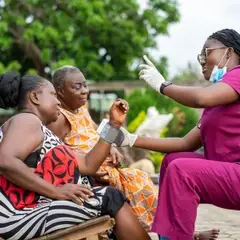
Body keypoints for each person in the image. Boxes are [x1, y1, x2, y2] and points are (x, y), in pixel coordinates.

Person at [118, 28, 240, 240]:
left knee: (182, 170)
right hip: (231, 175)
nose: (202, 60)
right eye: (200, 55)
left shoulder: (237, 76)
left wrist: (163, 86)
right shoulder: (218, 100)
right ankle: (171, 237)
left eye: (207, 52)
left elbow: (200, 98)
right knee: (173, 161)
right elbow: (185, 143)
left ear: (228, 53)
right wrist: (131, 139)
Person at [0, 72, 151, 240]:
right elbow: (6, 161)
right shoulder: (26, 120)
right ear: (35, 97)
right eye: (52, 95)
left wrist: (113, 125)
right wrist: (55, 191)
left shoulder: (43, 132)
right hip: (17, 216)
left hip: (31, 209)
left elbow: (88, 164)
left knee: (107, 195)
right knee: (110, 197)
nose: (58, 101)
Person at [47, 66, 157, 231]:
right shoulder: (60, 118)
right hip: (92, 175)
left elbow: (96, 131)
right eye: (77, 87)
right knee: (138, 182)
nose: (85, 91)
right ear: (60, 92)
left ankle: (163, 230)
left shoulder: (81, 109)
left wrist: (110, 146)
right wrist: (86, 169)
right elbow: (55, 154)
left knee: (141, 178)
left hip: (106, 167)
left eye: (85, 85)